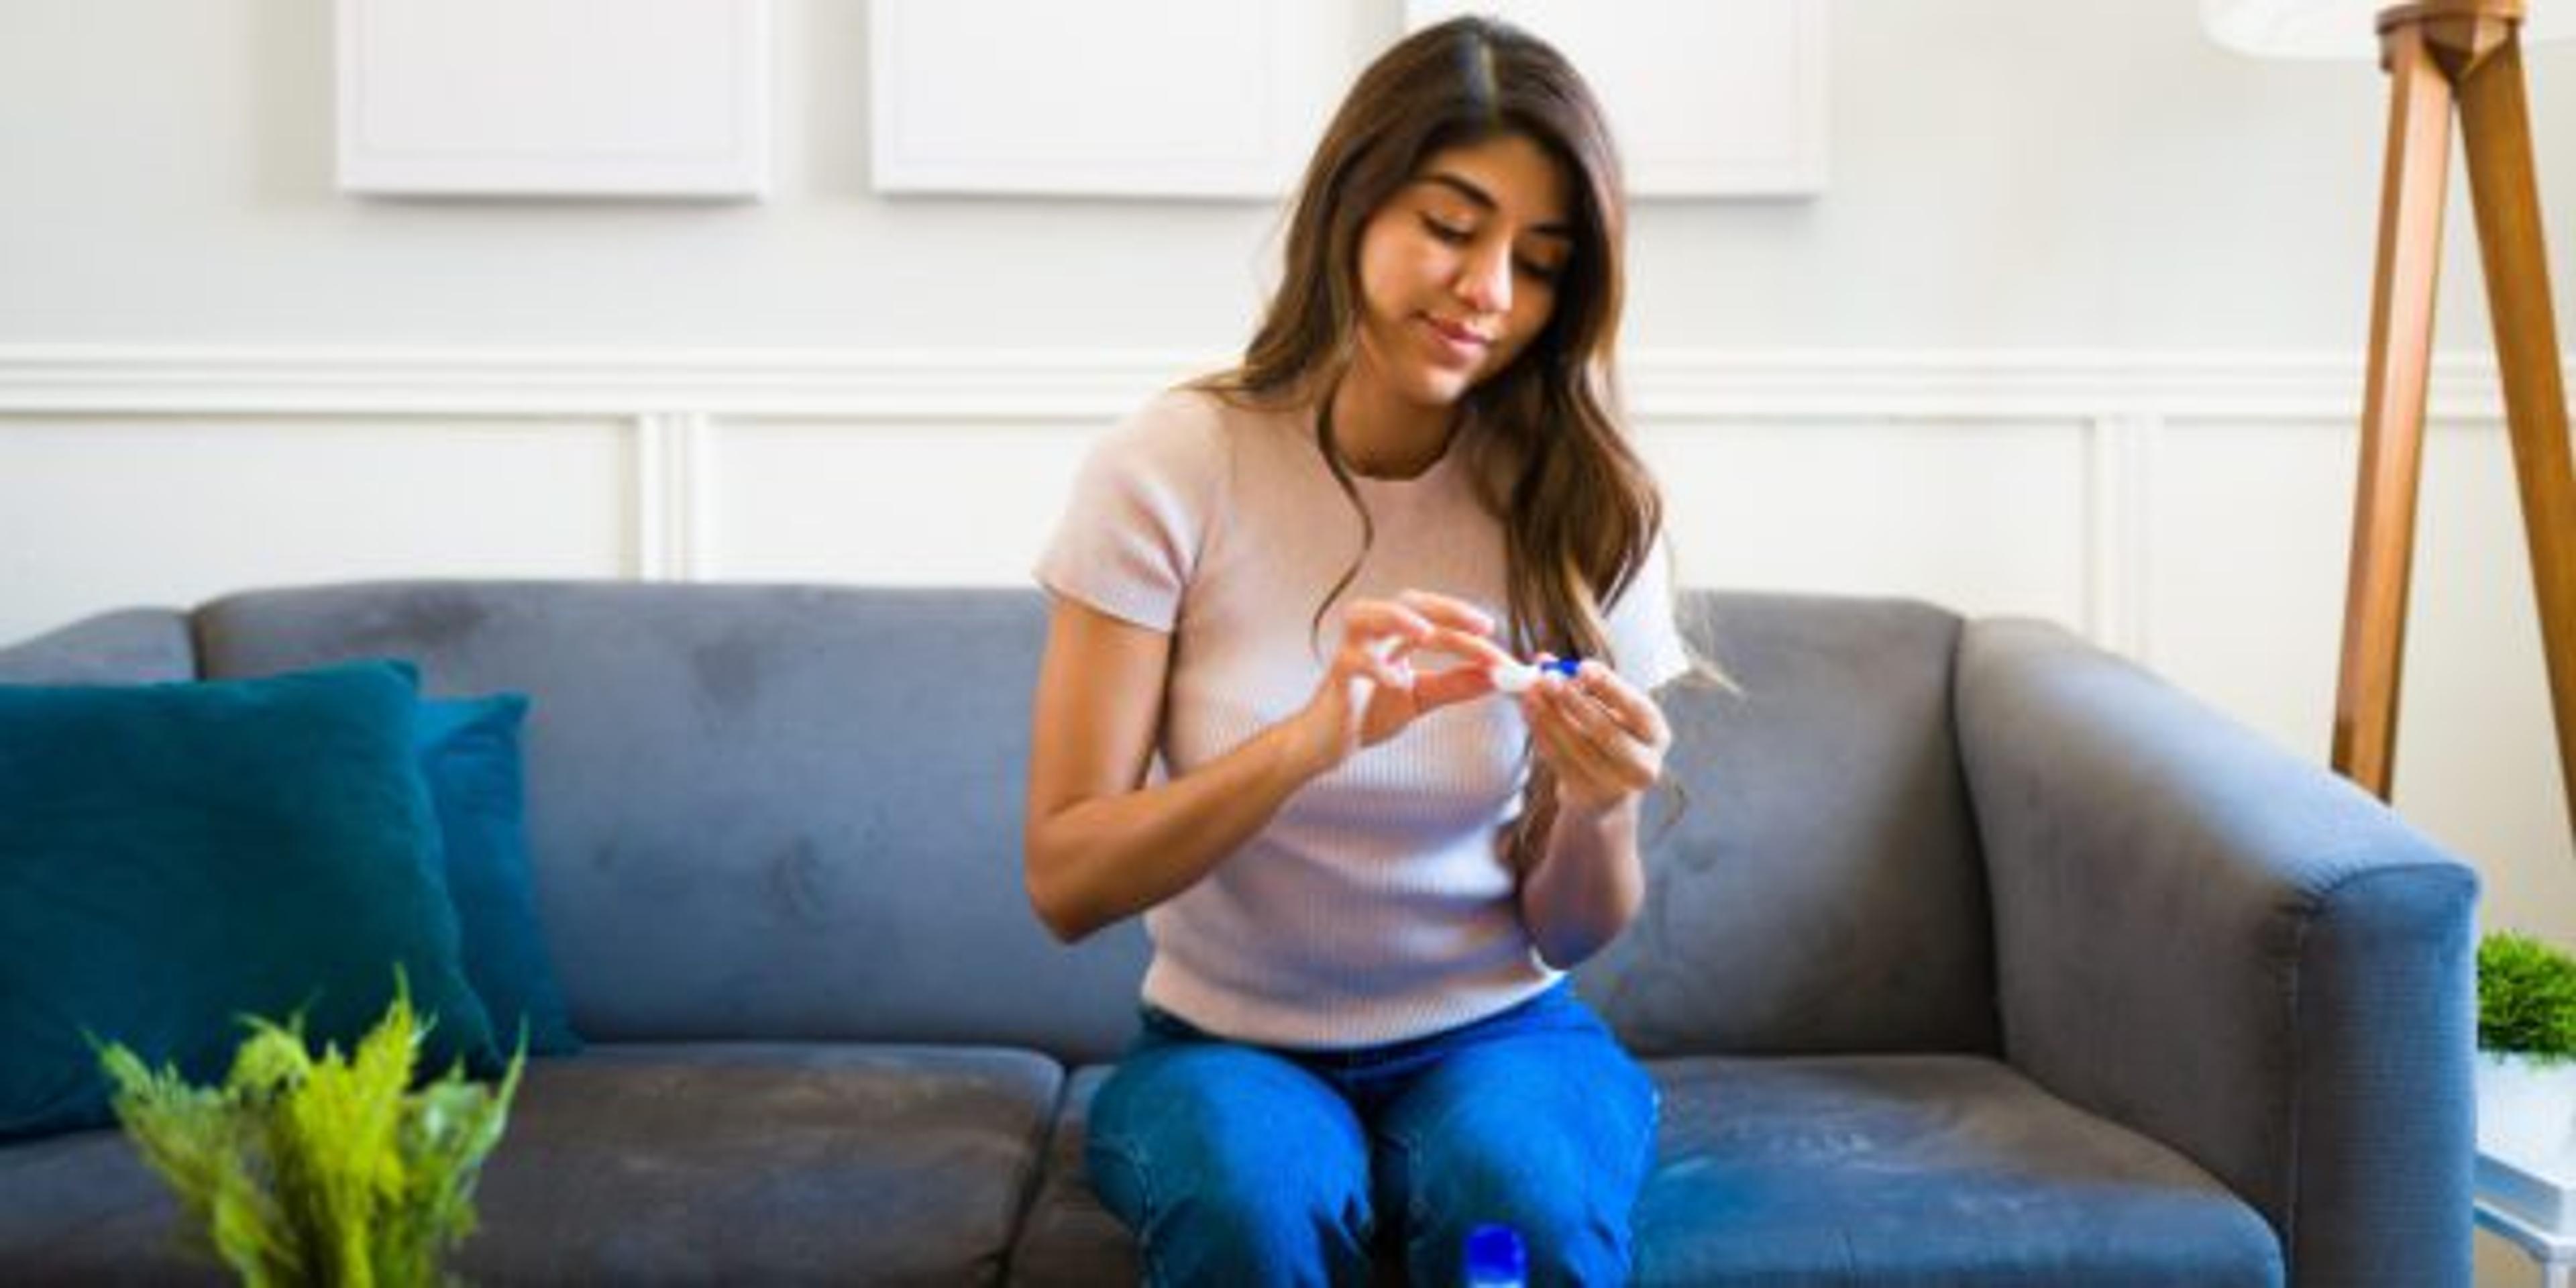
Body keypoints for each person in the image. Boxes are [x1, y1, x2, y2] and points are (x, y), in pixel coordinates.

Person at [1025, 15, 1694, 1285]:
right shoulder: (1169, 471)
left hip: (1503, 1039)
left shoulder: (1586, 503)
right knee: (1252, 1208)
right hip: (1228, 1048)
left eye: (1540, 262)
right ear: (1353, 203)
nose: (1489, 291)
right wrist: (1311, 741)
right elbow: (1067, 880)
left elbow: (1572, 930)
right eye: (1451, 226)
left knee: (1520, 1216)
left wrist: (1599, 809)